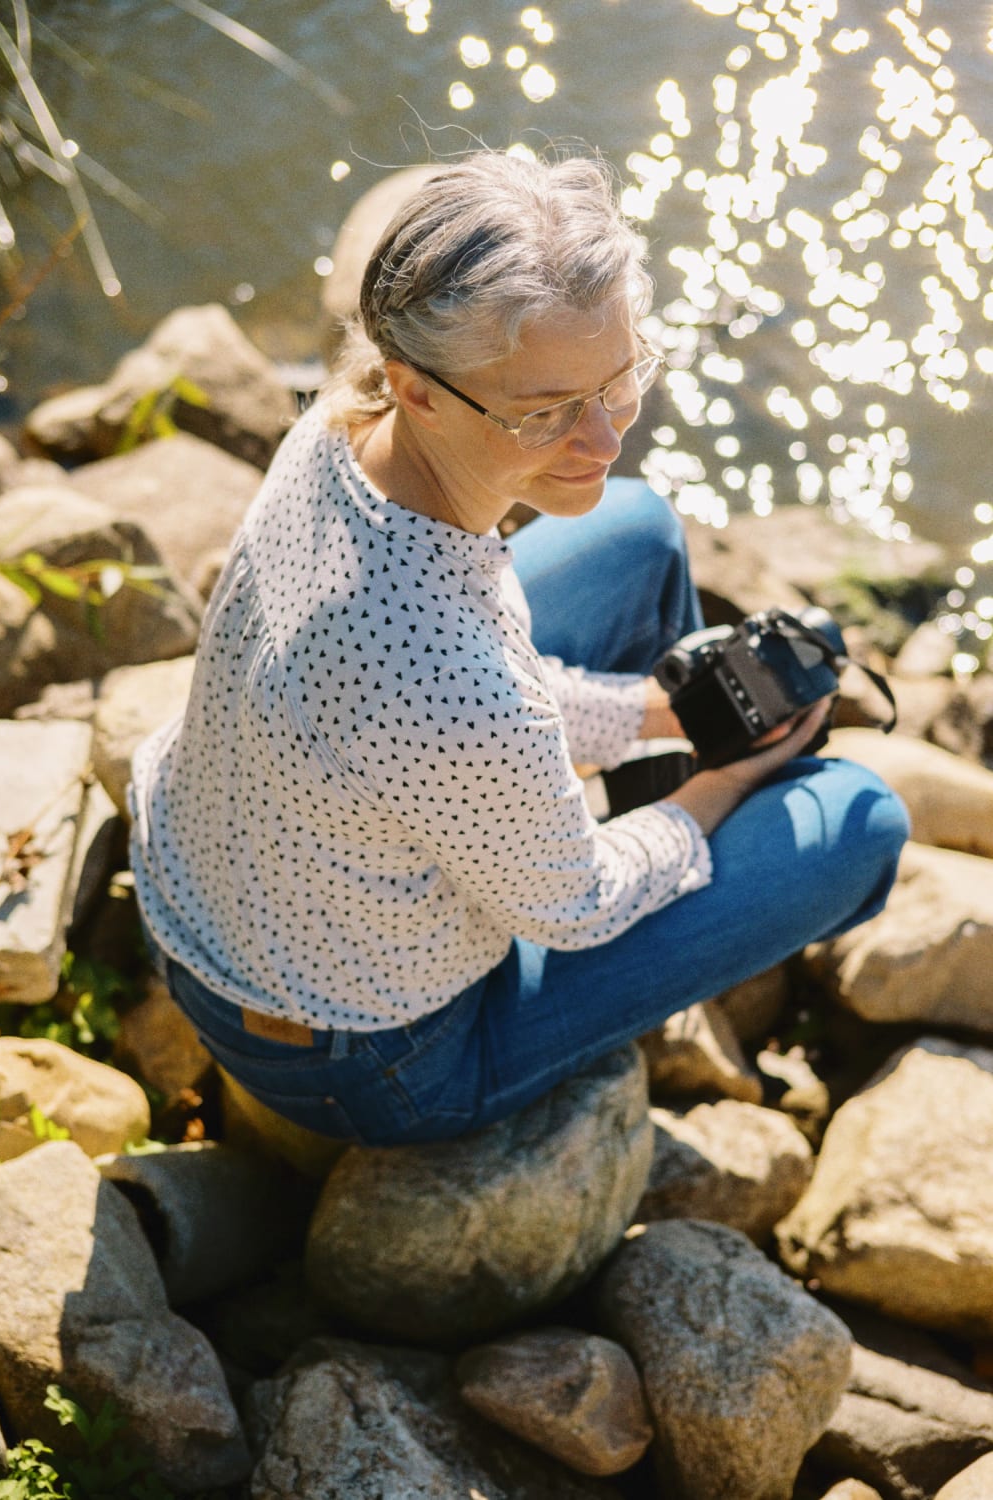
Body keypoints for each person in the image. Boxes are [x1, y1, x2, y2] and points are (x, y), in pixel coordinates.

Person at [128, 149, 908, 1146]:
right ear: (416, 388)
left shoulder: (337, 424)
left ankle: (664, 814)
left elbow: (452, 699)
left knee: (635, 528)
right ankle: (694, 876)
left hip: (228, 896)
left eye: (619, 381)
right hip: (362, 1056)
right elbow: (572, 902)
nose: (602, 438)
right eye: (544, 413)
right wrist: (722, 786)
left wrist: (658, 714)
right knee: (860, 819)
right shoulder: (452, 685)